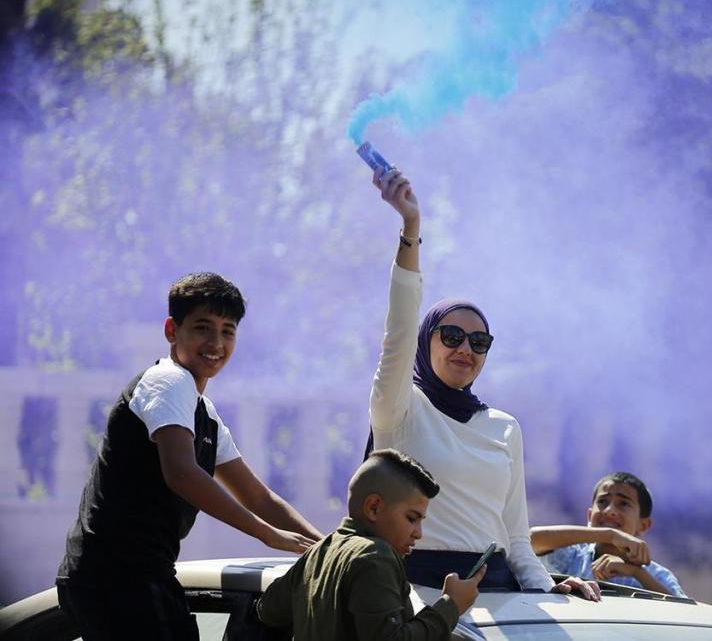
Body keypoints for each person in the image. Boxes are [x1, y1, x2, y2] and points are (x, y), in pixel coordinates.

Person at [365, 165, 598, 600]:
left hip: (499, 596)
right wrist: (411, 227)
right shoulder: (399, 408)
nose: (465, 349)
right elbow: (398, 327)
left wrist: (547, 589)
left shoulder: (505, 427)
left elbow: (516, 541)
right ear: (425, 341)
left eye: (479, 341)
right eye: (451, 336)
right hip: (414, 595)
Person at [56, 272, 324, 641]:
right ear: (172, 330)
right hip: (119, 575)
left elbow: (259, 497)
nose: (216, 343)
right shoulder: (168, 381)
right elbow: (182, 474)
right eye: (202, 328)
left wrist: (329, 547)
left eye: (228, 331)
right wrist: (269, 535)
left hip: (134, 574)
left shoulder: (203, 413)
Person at [257, 448, 483, 640]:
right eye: (411, 518)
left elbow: (267, 610)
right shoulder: (375, 555)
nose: (418, 534)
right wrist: (450, 606)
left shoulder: (318, 551)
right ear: (374, 507)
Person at [530, 472, 686, 597]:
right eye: (603, 502)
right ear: (589, 516)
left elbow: (684, 614)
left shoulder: (657, 576)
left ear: (643, 525)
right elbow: (529, 541)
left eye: (624, 503)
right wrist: (610, 535)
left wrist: (636, 572)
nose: (610, 511)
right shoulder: (573, 556)